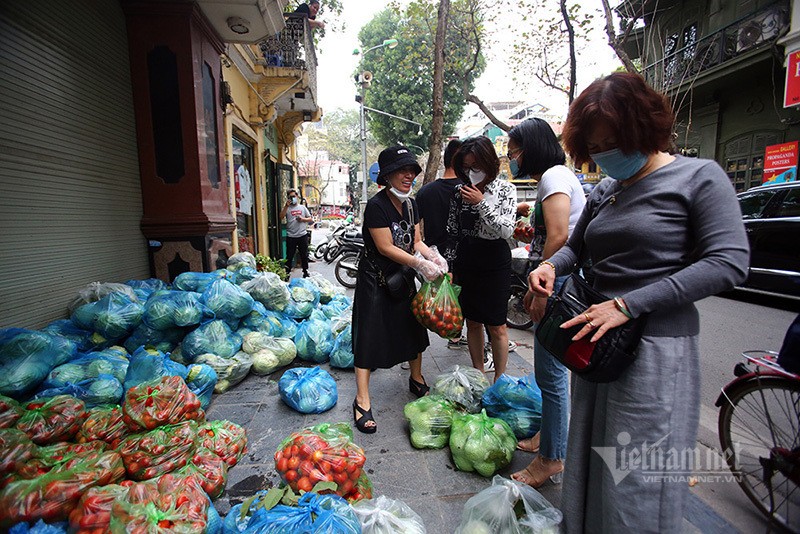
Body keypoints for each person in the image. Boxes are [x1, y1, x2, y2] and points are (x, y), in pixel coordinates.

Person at [525, 72, 749, 532]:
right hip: (596, 345)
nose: (605, 153)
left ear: (643, 130)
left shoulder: (699, 178)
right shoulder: (607, 190)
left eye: (612, 141)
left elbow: (728, 262)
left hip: (655, 353)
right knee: (589, 462)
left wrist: (628, 304)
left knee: (635, 477)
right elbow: (575, 249)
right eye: (596, 144)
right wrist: (551, 267)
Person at [504, 118, 586, 488]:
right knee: (548, 374)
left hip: (558, 283)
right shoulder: (553, 179)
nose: (511, 159)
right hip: (557, 279)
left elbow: (560, 235)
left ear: (532, 147)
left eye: (514, 151)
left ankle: (551, 458)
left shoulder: (554, 177)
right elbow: (551, 230)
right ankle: (547, 437)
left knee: (550, 376)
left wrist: (539, 288)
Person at [351, 145, 447, 434]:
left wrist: (432, 256)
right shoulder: (376, 207)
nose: (408, 175)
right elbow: (385, 247)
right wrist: (421, 265)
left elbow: (415, 240)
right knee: (368, 336)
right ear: (388, 175)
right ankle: (362, 398)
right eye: (402, 170)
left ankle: (416, 378)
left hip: (403, 277)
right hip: (376, 279)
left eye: (412, 171)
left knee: (413, 328)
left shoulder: (412, 204)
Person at [447, 136, 517, 381]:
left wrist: (481, 204)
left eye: (475, 167)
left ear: (489, 163)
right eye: (466, 168)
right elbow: (452, 231)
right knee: (473, 321)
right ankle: (478, 374)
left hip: (495, 258)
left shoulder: (506, 189)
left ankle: (500, 378)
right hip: (468, 257)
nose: (471, 173)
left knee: (497, 324)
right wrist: (449, 265)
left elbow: (506, 230)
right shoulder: (459, 191)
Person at [416, 139, 463, 268]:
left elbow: (413, 227)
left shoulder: (425, 192)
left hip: (434, 262)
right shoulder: (470, 191)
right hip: (465, 262)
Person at [279, 189, 313, 278]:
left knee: (304, 254)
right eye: (291, 197)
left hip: (302, 235)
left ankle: (305, 271)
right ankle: (287, 272)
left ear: (297, 196)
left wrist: (302, 219)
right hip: (291, 235)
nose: (293, 198)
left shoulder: (302, 207)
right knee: (289, 255)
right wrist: (286, 206)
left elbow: (310, 219)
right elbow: (281, 217)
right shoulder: (287, 208)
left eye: (294, 196)